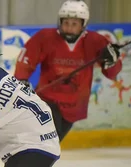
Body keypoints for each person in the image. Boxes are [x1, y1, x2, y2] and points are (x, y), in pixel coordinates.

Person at [14, 0, 122, 142]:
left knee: (52, 144)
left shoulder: (95, 41)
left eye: (74, 24)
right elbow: (26, 59)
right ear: (60, 22)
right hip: (47, 100)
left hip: (75, 106)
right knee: (46, 142)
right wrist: (21, 80)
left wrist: (112, 62)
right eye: (66, 23)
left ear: (83, 25)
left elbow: (112, 74)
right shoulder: (45, 37)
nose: (69, 28)